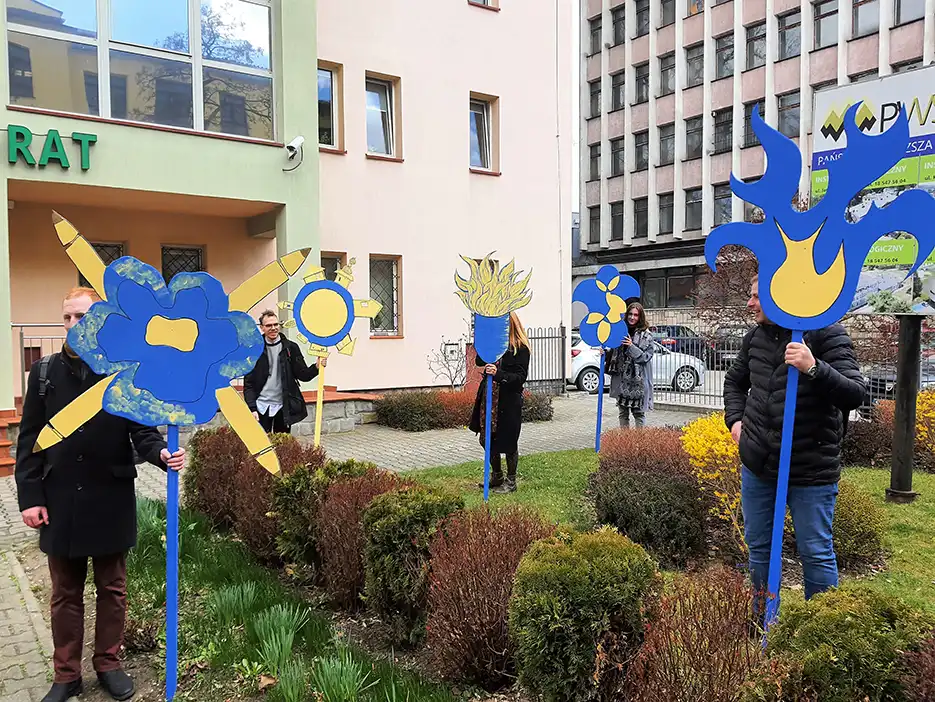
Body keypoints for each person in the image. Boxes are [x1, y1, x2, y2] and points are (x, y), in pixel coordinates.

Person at [15, 287, 186, 702]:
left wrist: (161, 453)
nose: (74, 324)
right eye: (68, 317)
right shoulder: (43, 374)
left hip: (110, 495)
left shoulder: (121, 372)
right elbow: (29, 439)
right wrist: (30, 497)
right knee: (64, 594)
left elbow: (141, 430)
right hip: (59, 499)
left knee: (112, 589)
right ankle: (66, 675)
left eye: (82, 316)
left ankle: (108, 664)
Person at [724, 275, 866, 617]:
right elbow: (734, 382)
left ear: (780, 295)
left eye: (756, 296)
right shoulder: (755, 337)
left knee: (815, 552)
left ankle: (820, 628)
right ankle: (762, 619)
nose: (750, 303)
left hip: (811, 468)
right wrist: (736, 422)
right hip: (759, 464)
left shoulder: (826, 334)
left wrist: (813, 367)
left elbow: (854, 394)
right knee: (760, 549)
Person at [469, 312, 531, 493]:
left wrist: (498, 374)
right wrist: (484, 341)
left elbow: (520, 377)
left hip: (508, 401)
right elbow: (479, 360)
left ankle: (511, 481)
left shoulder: (520, 348)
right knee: (486, 437)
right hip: (489, 398)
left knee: (509, 441)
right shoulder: (494, 344)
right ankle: (497, 475)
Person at [243, 309, 323, 434]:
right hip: (261, 406)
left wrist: (317, 367)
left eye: (276, 324)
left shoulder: (291, 348)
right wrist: (252, 408)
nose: (273, 328)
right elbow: (249, 383)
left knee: (282, 442)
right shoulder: (254, 350)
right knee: (262, 442)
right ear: (262, 328)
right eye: (268, 325)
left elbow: (302, 374)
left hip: (283, 406)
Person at [606, 302, 654, 428]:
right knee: (623, 413)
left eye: (636, 315)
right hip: (622, 379)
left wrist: (631, 346)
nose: (632, 317)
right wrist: (604, 352)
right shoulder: (620, 331)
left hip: (638, 382)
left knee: (638, 414)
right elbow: (612, 350)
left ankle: (639, 439)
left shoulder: (646, 335)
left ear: (640, 317)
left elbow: (646, 357)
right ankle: (625, 439)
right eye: (630, 314)